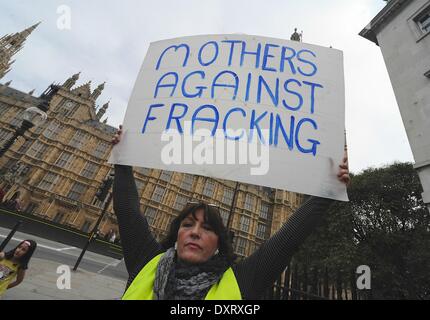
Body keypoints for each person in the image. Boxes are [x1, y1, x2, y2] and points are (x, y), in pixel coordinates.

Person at [111, 125, 350, 300]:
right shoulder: (147, 263)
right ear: (176, 234)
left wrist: (328, 189)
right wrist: (123, 159)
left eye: (207, 228)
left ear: (219, 243)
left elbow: (288, 241)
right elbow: (127, 210)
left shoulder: (240, 281)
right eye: (187, 224)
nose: (195, 232)